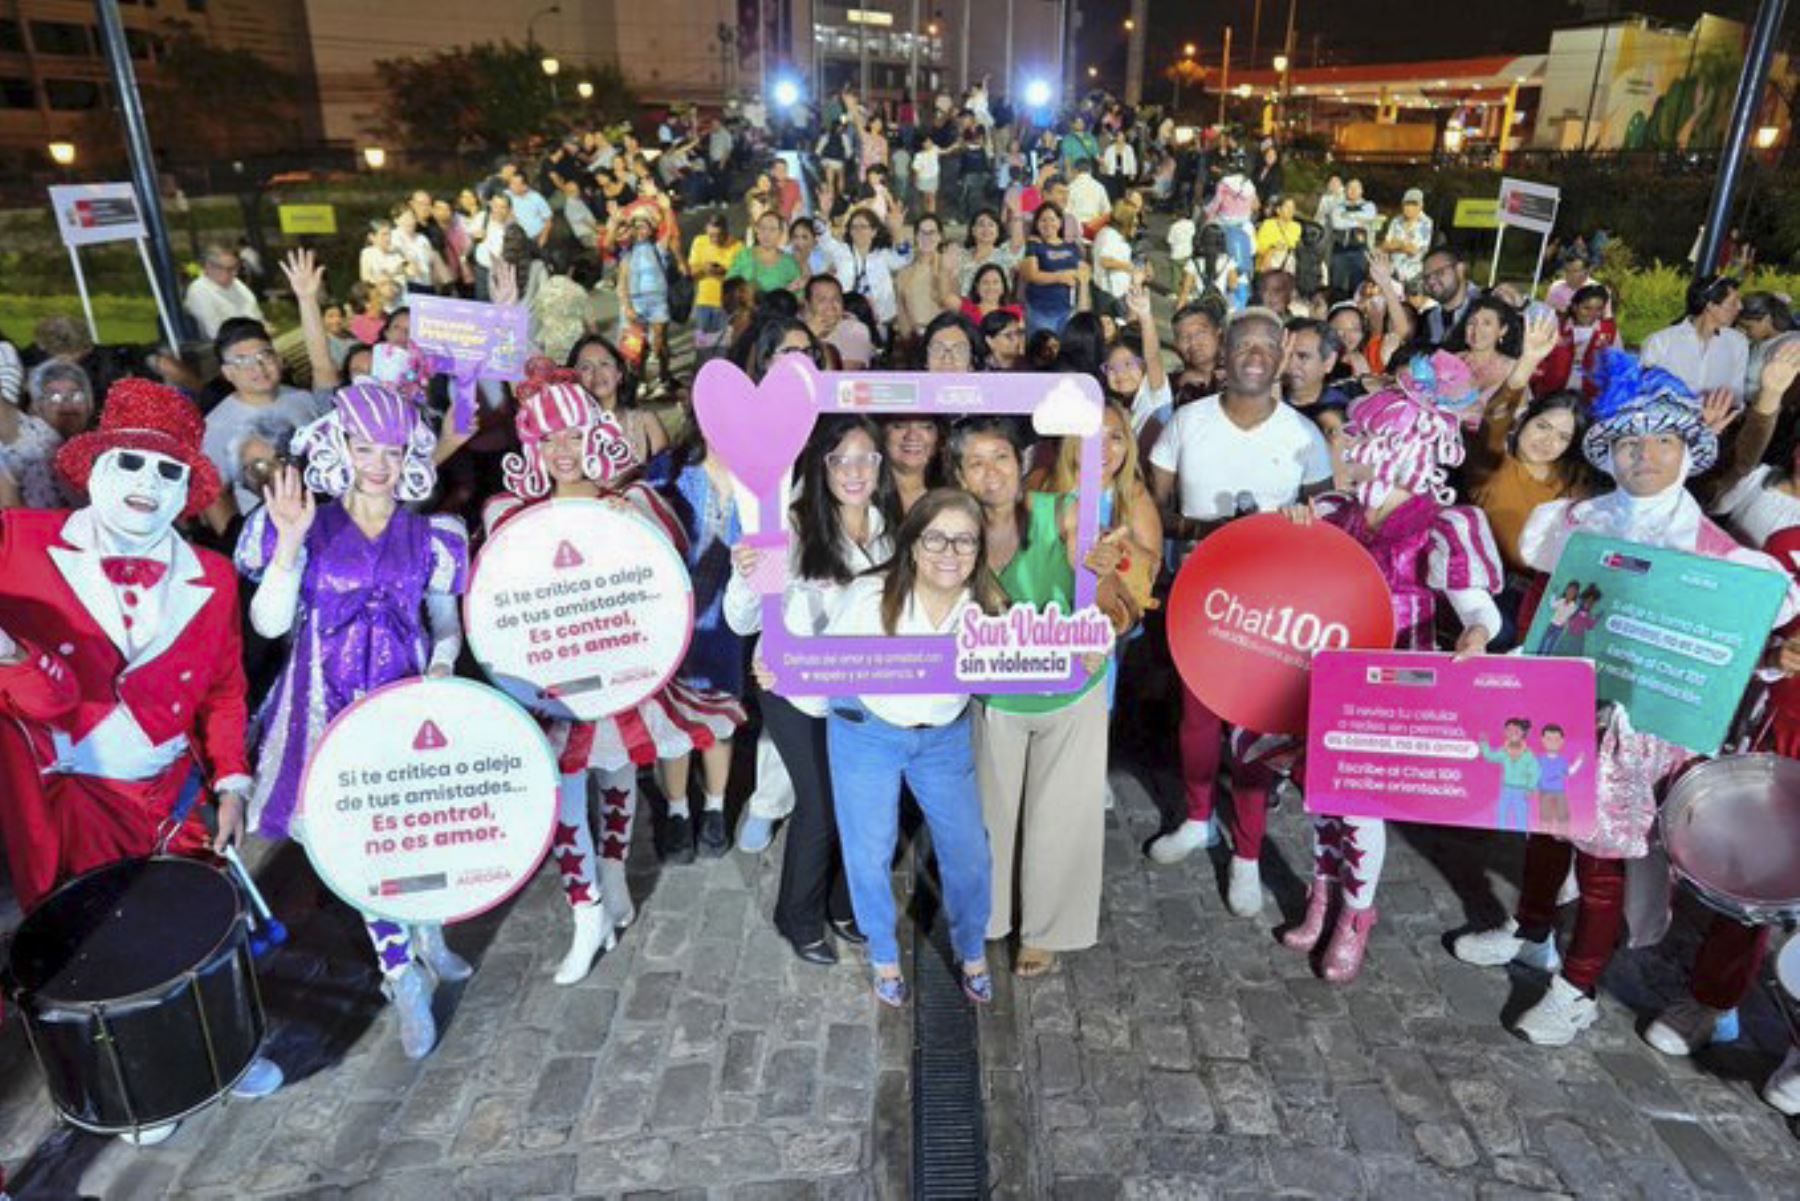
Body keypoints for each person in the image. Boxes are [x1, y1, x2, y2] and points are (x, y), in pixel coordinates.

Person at [1452, 349, 1798, 1046]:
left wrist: (1769, 656)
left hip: (1638, 730)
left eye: (1663, 440)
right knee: (1542, 828)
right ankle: (1531, 931)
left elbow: (1743, 643)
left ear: (1687, 450)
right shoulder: (1572, 521)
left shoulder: (1719, 554)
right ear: (1609, 451)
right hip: (1561, 701)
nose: (1646, 454)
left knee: (1601, 863)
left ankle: (1576, 987)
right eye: (1630, 441)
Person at [0, 380, 285, 1137]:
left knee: (196, 925)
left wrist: (232, 776)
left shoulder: (211, 576)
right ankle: (139, 1081)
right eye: (131, 462)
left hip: (172, 786)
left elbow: (224, 687)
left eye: (168, 472)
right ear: (95, 469)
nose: (146, 485)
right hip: (71, 796)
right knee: (102, 950)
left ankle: (223, 1049)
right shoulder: (18, 542)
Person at [235, 384, 469, 1059]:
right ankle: (403, 977)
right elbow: (270, 623)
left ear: (409, 454)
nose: (378, 462)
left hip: (403, 700)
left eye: (391, 450)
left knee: (417, 831)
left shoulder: (434, 534)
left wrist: (446, 659)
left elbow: (444, 619)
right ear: (340, 447)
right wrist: (289, 546)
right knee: (353, 845)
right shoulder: (303, 518)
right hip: (320, 707)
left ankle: (431, 936)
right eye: (365, 447)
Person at [485, 364, 741, 980]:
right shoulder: (507, 512)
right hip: (550, 685)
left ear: (593, 434)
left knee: (617, 776)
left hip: (618, 672)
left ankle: (616, 878)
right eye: (547, 440)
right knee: (564, 798)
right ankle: (585, 912)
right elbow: (497, 601)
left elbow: (663, 582)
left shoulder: (633, 501)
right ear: (530, 445)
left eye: (572, 436)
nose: (561, 452)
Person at [1278, 353, 1503, 982]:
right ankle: (1320, 899)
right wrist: (1296, 525)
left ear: (1410, 449)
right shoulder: (1338, 511)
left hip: (1393, 681)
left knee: (1360, 802)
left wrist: (1480, 632)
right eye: (1361, 439)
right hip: (1328, 672)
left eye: (1372, 440)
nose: (1356, 450)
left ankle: (1356, 915)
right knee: (1323, 796)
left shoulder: (1440, 524)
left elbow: (1474, 602)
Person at [1145, 310, 1334, 877]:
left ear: (1281, 358)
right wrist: (1209, 531)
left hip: (1273, 605)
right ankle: (1199, 819)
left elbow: (1329, 517)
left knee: (1257, 727)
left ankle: (1248, 853)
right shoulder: (1187, 422)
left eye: (1267, 345)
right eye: (1243, 343)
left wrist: (1300, 524)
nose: (1255, 353)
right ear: (1223, 353)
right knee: (1198, 721)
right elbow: (1158, 511)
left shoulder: (1304, 435)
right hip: (1201, 595)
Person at [955, 415, 1118, 978]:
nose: (990, 473)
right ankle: (989, 918)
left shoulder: (1064, 511)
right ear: (960, 473)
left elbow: (1096, 573)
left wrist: (1095, 571)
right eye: (975, 462)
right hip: (996, 696)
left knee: (1060, 817)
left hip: (1070, 690)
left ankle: (1046, 930)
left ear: (1022, 462)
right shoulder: (952, 527)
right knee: (989, 816)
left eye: (1000, 457)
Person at [825, 488, 1003, 1006]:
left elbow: (1029, 664)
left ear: (979, 549)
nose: (950, 552)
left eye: (964, 540)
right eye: (936, 538)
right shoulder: (868, 597)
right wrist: (779, 667)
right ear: (911, 544)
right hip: (868, 732)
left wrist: (1078, 657)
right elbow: (821, 663)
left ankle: (971, 950)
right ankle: (883, 954)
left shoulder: (987, 606)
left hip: (943, 738)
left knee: (970, 852)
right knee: (869, 849)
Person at [726, 417, 892, 964]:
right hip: (793, 689)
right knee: (821, 805)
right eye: (840, 459)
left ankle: (845, 907)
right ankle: (797, 917)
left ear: (879, 467)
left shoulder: (888, 527)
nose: (853, 471)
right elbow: (741, 618)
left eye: (865, 458)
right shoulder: (791, 527)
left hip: (862, 693)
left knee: (864, 805)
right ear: (821, 467)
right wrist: (749, 570)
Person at [202, 317, 334, 528]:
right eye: (243, 361)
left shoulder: (303, 399)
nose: (258, 367)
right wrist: (233, 540)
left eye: (264, 355)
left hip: (324, 517)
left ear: (278, 358)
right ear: (228, 373)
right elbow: (212, 495)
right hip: (267, 530)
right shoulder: (215, 426)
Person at [1640, 273, 1751, 404]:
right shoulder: (1661, 342)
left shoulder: (1738, 343)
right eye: (1733, 302)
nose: (1740, 307)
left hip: (1715, 422)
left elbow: (1736, 393)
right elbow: (1643, 389)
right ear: (1710, 305)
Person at [6, 363, 87, 509]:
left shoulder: (89, 446)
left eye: (76, 396)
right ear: (37, 406)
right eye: (55, 398)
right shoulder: (33, 442)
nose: (67, 405)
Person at [1531, 284, 1618, 401]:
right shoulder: (1556, 328)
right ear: (1574, 307)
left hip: (1590, 398)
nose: (1592, 314)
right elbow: (1538, 361)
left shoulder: (1608, 331)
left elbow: (1618, 365)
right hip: (1551, 394)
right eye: (1587, 308)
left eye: (1599, 309)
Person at [1450, 296, 1524, 418]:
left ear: (1502, 330)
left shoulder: (1514, 368)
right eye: (1471, 323)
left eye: (1487, 323)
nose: (1477, 330)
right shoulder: (1449, 361)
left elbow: (1519, 413)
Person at [1021, 202, 1088, 336]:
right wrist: (1061, 277)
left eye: (1052, 219)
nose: (1048, 224)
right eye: (1043, 220)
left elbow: (1083, 274)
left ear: (1060, 222)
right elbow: (1032, 275)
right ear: (1036, 223)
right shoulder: (1034, 245)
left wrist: (1082, 306)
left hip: (1068, 309)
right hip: (1040, 310)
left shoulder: (1072, 246)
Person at [688, 213, 743, 369]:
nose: (715, 239)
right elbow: (691, 273)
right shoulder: (699, 242)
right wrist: (704, 269)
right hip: (703, 304)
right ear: (706, 230)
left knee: (723, 350)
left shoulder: (737, 246)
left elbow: (742, 277)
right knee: (702, 349)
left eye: (719, 235)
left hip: (727, 305)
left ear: (726, 231)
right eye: (711, 235)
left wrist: (724, 272)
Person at [1281, 318, 1351, 435]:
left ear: (1329, 362)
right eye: (1285, 354)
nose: (1290, 364)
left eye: (1302, 357)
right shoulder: (1260, 399)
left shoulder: (1344, 412)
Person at [184, 244, 266, 340]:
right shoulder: (199, 290)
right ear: (209, 267)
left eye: (236, 268)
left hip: (252, 338)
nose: (235, 273)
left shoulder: (236, 284)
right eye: (229, 269)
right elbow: (215, 333)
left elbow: (257, 315)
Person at [1415, 247, 1482, 350]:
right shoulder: (1428, 318)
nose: (1431, 281)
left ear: (1460, 270)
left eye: (1439, 272)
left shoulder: (1484, 309)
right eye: (1426, 277)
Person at [1327, 179, 1379, 300]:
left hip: (1360, 251)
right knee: (1337, 284)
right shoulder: (1338, 207)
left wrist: (1347, 217)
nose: (1353, 191)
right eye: (1350, 188)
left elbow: (1369, 218)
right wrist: (1358, 220)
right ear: (1345, 191)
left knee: (1358, 286)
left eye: (1356, 188)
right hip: (1340, 250)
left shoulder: (1369, 206)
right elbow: (1337, 223)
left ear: (1361, 191)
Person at [1090, 200, 1140, 319]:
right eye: (1134, 218)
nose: (1136, 221)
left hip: (1117, 294)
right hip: (1110, 296)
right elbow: (1105, 261)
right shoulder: (1109, 236)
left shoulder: (1114, 235)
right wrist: (1130, 267)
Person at [1380, 188, 1434, 284]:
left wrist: (1396, 243)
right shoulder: (1396, 221)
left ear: (1421, 206)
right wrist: (1403, 246)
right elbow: (1384, 246)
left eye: (1414, 204)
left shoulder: (1426, 223)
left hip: (1413, 275)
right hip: (1392, 272)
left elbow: (1413, 250)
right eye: (1407, 204)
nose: (1409, 207)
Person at [1255, 196, 1303, 275]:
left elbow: (1294, 246)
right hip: (1268, 259)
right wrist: (1273, 247)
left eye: (1293, 208)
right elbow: (1259, 248)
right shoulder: (1268, 224)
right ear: (1278, 210)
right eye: (1287, 207)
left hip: (1288, 260)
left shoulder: (1297, 227)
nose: (1291, 210)